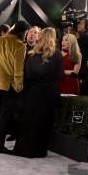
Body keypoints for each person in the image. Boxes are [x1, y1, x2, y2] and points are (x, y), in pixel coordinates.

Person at [13, 28, 64, 158]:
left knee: (29, 123)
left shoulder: (31, 54)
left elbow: (26, 75)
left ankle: (24, 149)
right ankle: (39, 151)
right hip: (48, 95)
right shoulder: (57, 55)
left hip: (31, 94)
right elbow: (60, 76)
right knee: (43, 123)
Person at [0, 21, 30, 153]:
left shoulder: (0, 40)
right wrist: (18, 87)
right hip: (8, 84)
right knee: (4, 115)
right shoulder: (20, 46)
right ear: (23, 32)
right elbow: (18, 71)